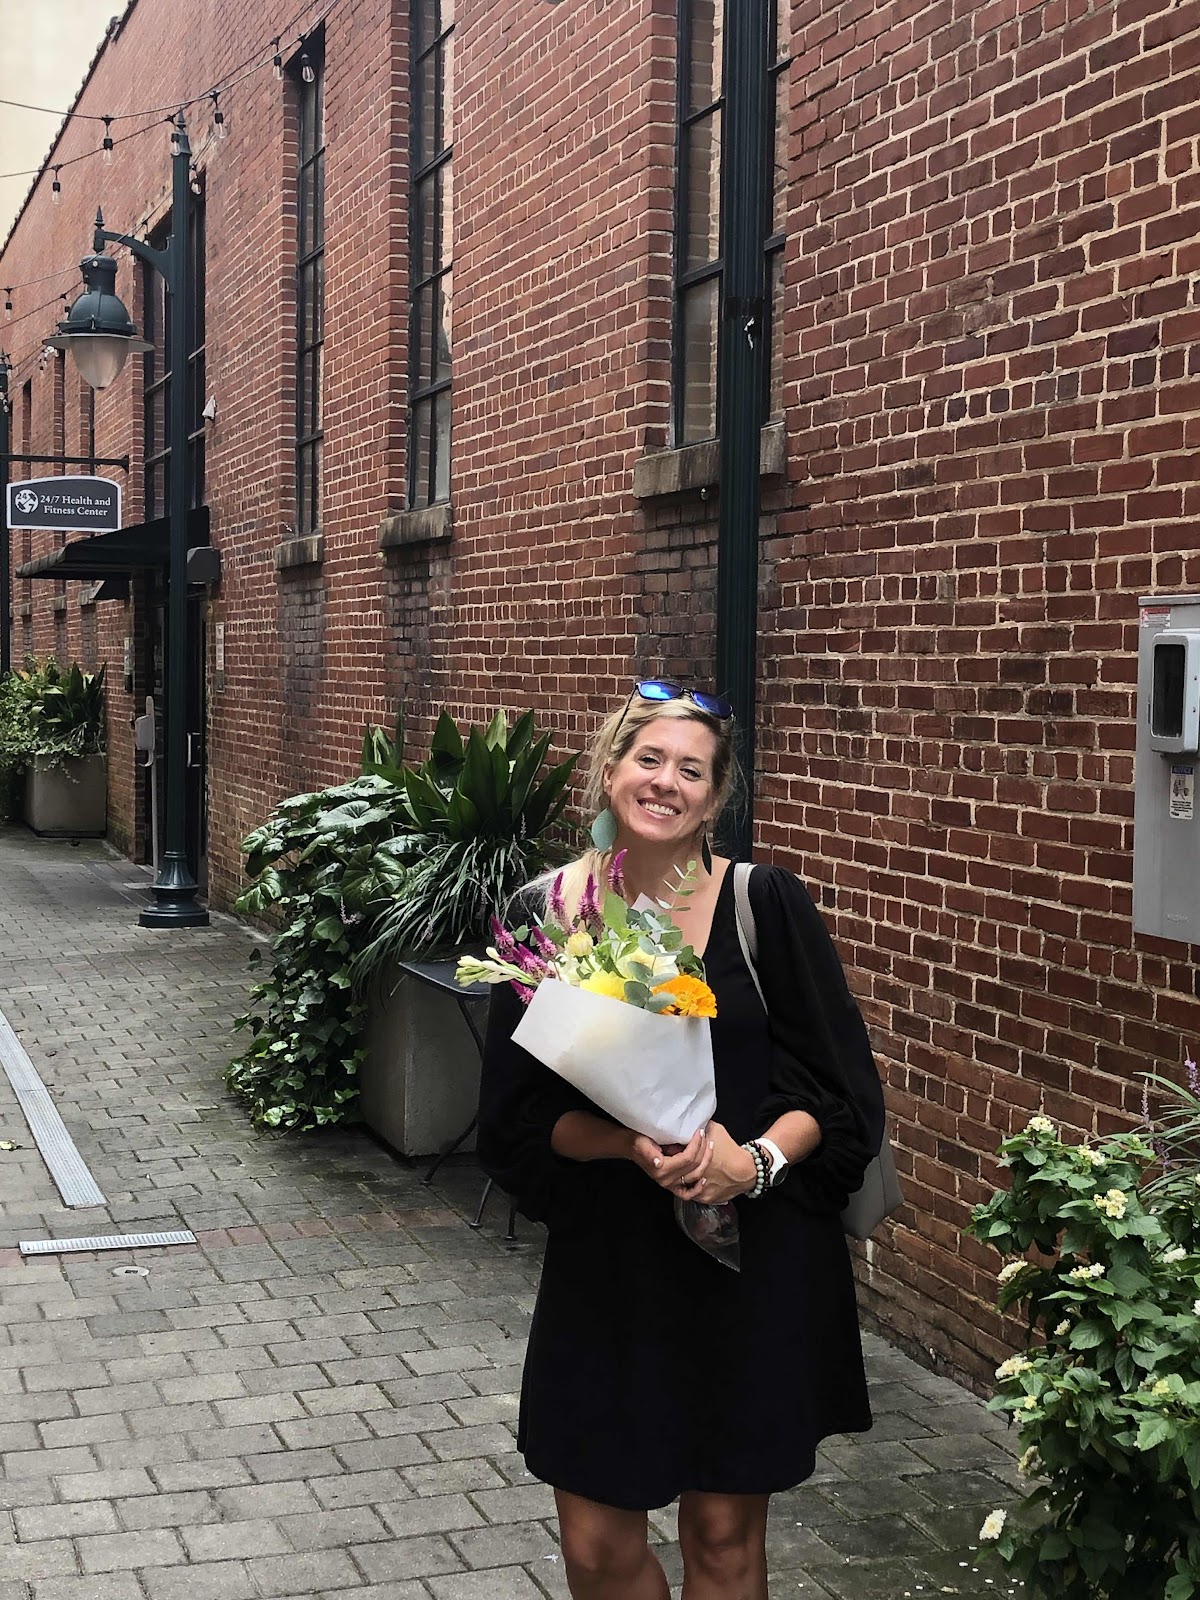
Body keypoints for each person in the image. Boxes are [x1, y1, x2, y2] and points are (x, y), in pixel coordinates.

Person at [477, 681, 885, 1600]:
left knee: (723, 1536)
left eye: (692, 771)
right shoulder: (546, 913)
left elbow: (839, 1092)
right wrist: (626, 1144)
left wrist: (752, 1162)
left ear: (714, 797)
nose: (666, 782)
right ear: (611, 770)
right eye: (650, 759)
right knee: (594, 1544)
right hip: (610, 1264)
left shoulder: (763, 903)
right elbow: (517, 1120)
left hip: (754, 1261)